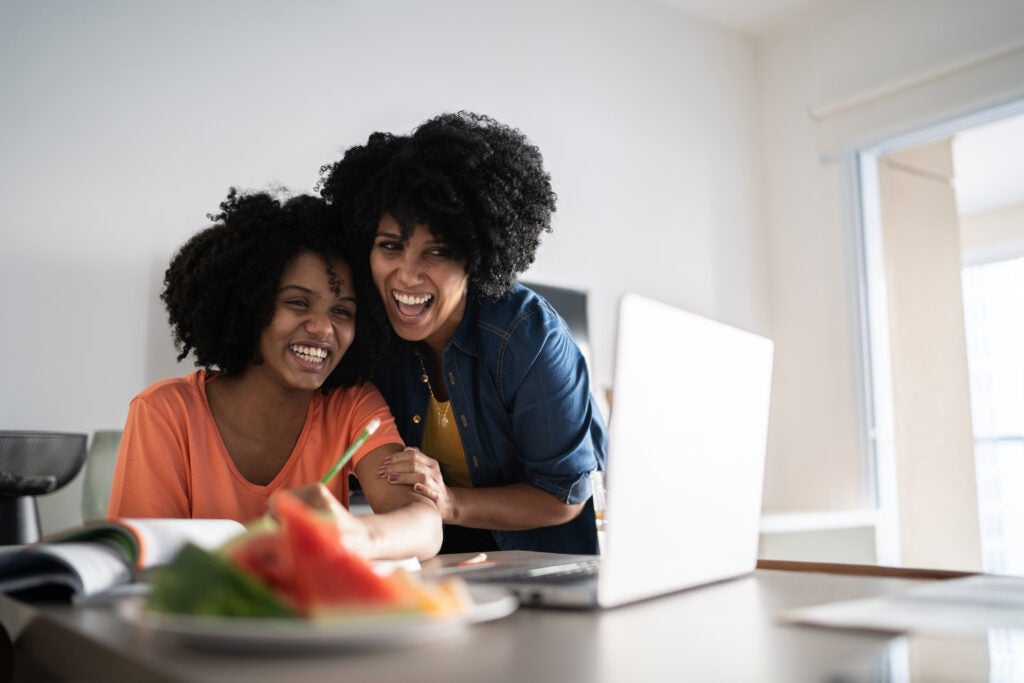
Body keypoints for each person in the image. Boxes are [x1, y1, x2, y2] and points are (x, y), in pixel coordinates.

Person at [319, 111, 607, 554]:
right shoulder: (368, 336)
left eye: (437, 251)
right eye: (390, 246)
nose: (407, 274)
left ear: (473, 259)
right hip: (446, 562)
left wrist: (449, 502)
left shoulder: (527, 337)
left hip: (541, 564)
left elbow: (562, 496)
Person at [107, 189, 442, 560]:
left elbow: (425, 525)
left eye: (342, 312)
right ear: (249, 305)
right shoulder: (165, 412)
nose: (322, 328)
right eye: (298, 303)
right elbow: (139, 557)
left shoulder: (350, 405)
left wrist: (356, 535)